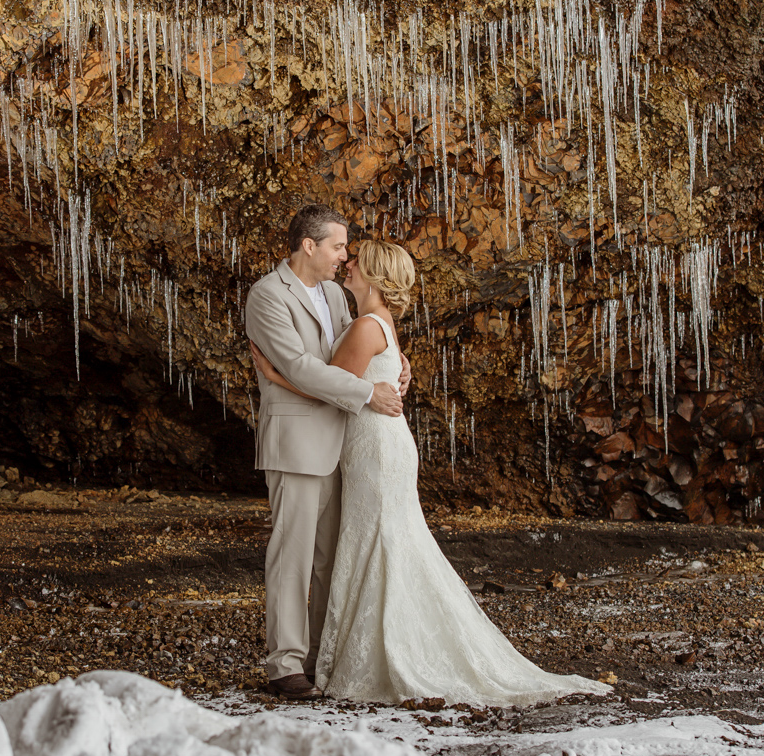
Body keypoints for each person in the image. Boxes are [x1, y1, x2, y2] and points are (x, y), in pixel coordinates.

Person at [252, 239, 611, 706]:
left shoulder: (363, 325)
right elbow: (349, 374)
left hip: (375, 448)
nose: (348, 263)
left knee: (378, 542)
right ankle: (367, 646)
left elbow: (328, 387)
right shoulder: (369, 321)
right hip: (375, 443)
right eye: (344, 252)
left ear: (376, 277)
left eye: (355, 260)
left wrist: (275, 377)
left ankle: (381, 650)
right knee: (383, 543)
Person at [242, 204, 410, 701]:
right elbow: (297, 365)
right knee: (291, 556)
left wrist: (398, 362)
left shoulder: (337, 293)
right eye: (338, 246)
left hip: (350, 445)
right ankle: (285, 665)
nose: (345, 255)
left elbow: (358, 345)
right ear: (309, 245)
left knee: (332, 560)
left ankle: (321, 657)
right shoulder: (267, 295)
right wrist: (367, 393)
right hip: (298, 442)